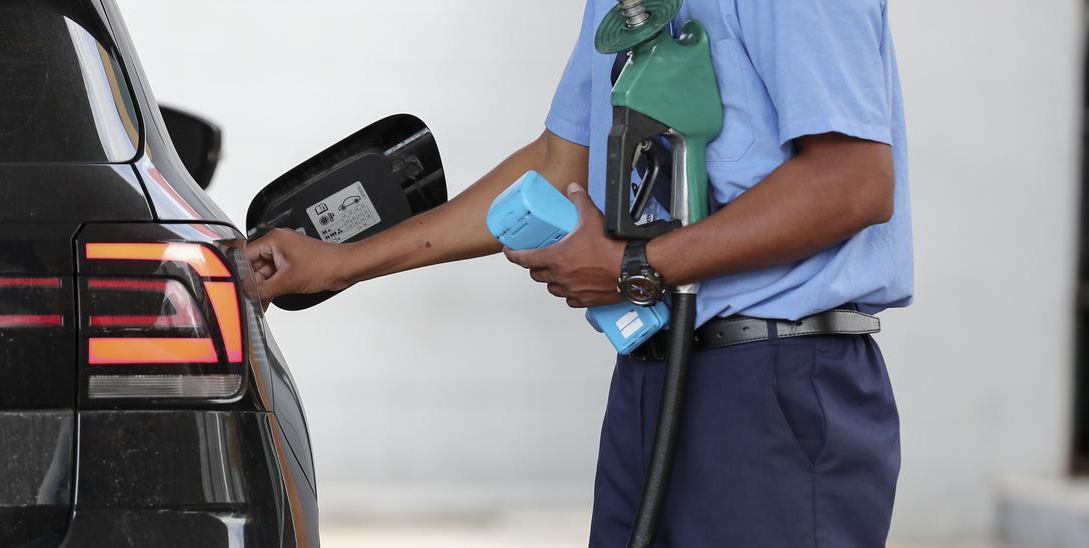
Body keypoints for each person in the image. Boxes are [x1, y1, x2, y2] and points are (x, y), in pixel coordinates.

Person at [248, 0, 910, 545]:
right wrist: (341, 263)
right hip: (656, 371)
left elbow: (851, 181)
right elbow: (558, 160)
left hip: (777, 381)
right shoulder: (619, 5)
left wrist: (636, 266)